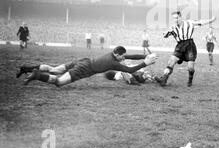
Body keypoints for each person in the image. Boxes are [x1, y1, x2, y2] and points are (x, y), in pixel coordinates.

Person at [16, 46, 158, 87]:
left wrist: (144, 56)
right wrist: (146, 63)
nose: (123, 58)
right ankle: (36, 75)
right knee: (58, 82)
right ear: (116, 54)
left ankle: (27, 68)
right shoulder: (113, 62)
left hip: (83, 61)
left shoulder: (113, 55)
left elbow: (131, 56)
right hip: (83, 69)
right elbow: (130, 70)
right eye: (122, 56)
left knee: (55, 69)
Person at [155, 11, 216, 87]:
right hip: (180, 46)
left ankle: (190, 80)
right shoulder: (173, 27)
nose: (175, 20)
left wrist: (211, 20)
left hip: (189, 46)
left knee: (190, 67)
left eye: (177, 18)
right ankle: (164, 79)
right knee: (171, 62)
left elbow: (201, 22)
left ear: (180, 17)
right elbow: (165, 35)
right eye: (174, 18)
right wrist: (166, 32)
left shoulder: (189, 23)